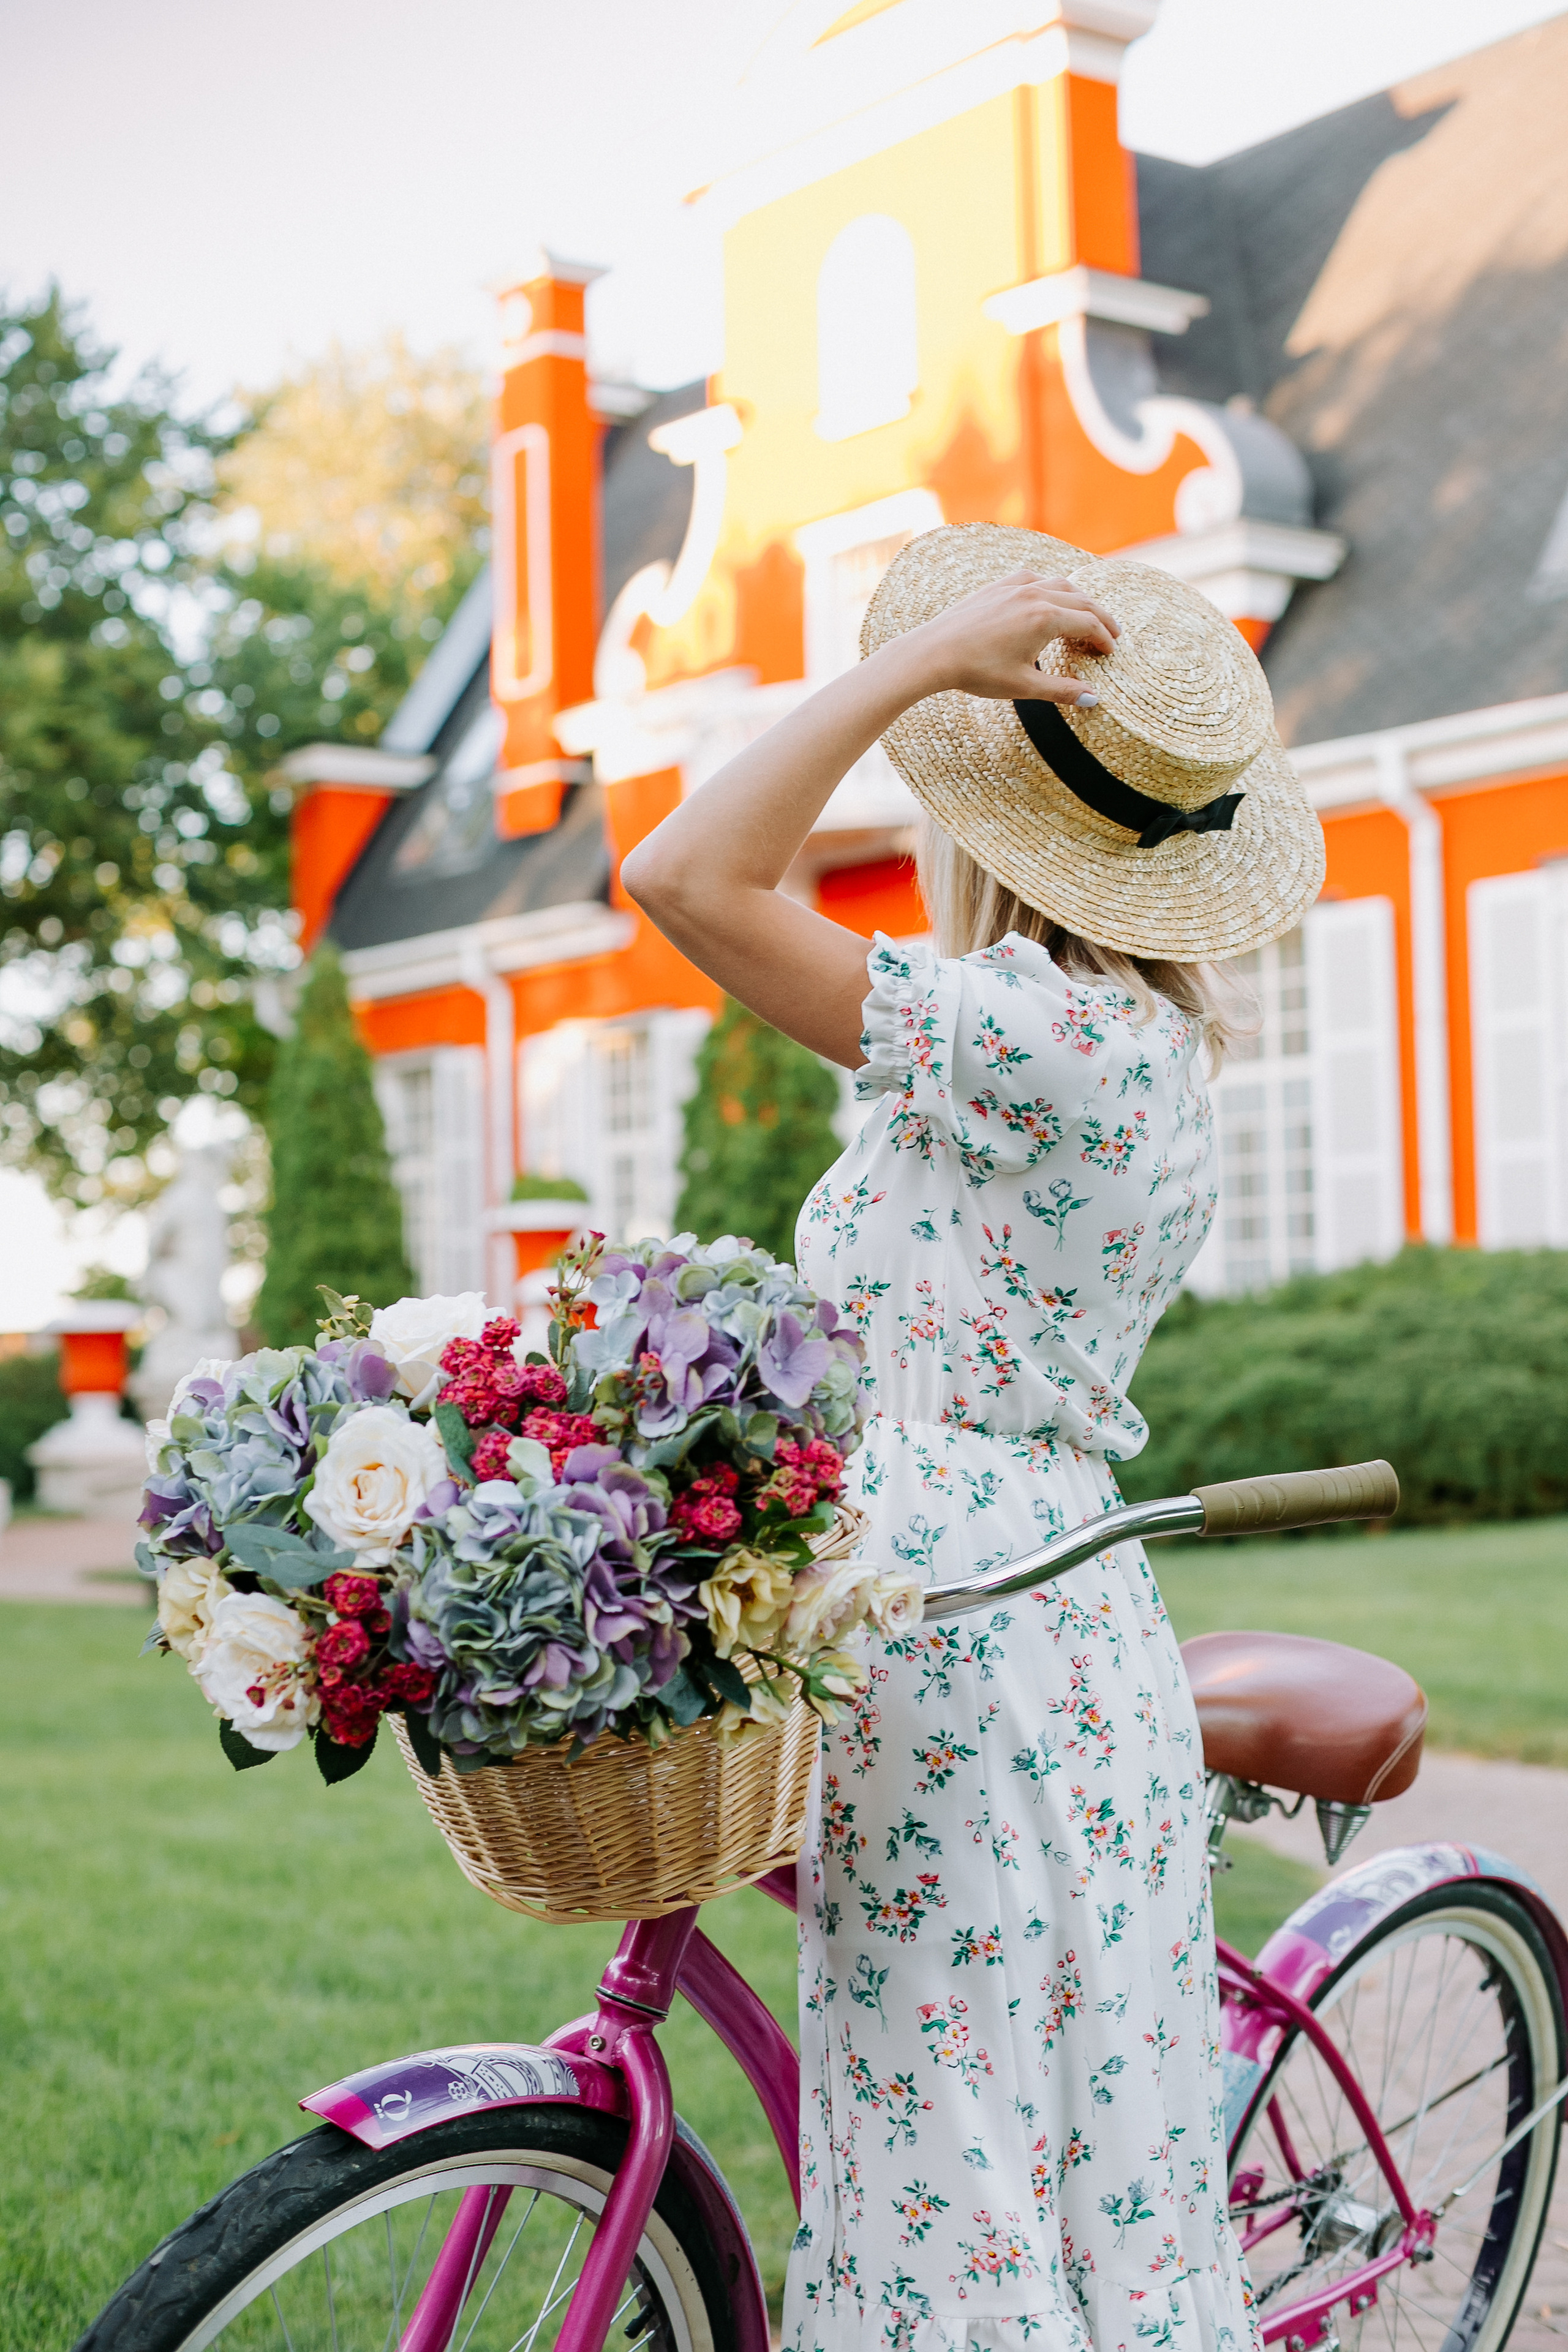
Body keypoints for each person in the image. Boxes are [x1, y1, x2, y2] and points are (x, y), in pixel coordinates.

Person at [622, 522, 1324, 2352]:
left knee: (956, 2160)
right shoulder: (1128, 1038)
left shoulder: (1026, 1034)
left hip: (959, 1621)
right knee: (1068, 2155)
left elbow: (688, 872)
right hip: (1038, 1607)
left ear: (982, 828)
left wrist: (914, 672)